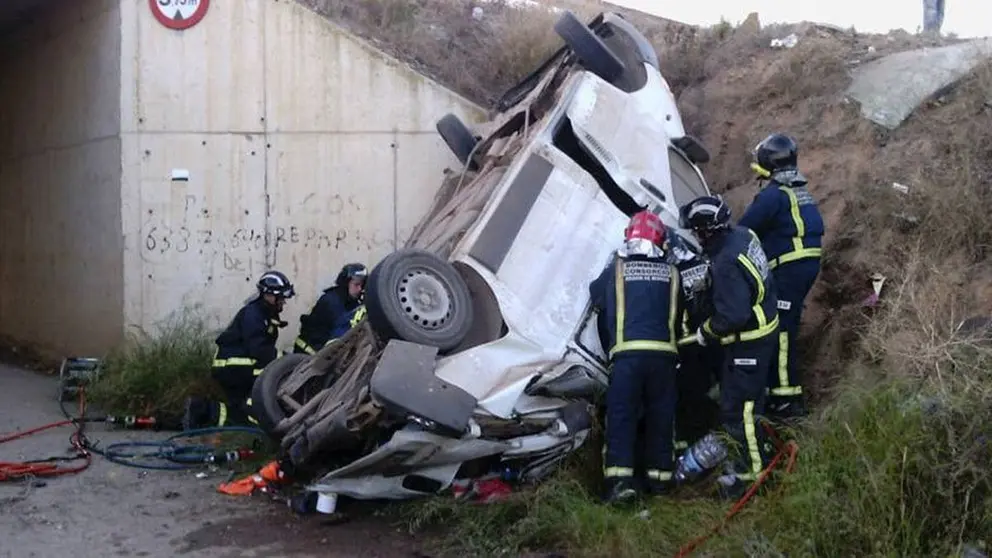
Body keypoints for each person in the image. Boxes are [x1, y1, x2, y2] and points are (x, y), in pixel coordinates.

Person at [679, 195, 779, 499]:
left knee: (738, 411)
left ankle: (752, 476)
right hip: (764, 328)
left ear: (707, 231)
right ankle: (759, 450)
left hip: (749, 341)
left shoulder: (725, 263)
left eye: (697, 232)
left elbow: (733, 316)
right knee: (751, 403)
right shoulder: (744, 235)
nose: (695, 237)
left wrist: (703, 333)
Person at [589, 210, 684, 504]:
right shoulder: (672, 273)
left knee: (622, 418)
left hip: (627, 357)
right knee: (661, 417)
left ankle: (619, 484)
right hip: (664, 359)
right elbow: (680, 312)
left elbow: (596, 296)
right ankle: (660, 482)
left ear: (629, 237)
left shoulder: (617, 269)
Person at [738, 133, 824, 420]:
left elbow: (744, 230)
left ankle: (787, 399)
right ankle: (779, 392)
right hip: (802, 266)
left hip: (789, 268)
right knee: (783, 327)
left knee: (783, 332)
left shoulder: (773, 195)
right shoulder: (799, 190)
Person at [183, 271, 295, 430]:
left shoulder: (263, 314)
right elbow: (259, 350)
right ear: (268, 295)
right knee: (265, 384)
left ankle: (201, 411)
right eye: (281, 298)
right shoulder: (254, 315)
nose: (283, 302)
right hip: (234, 368)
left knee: (240, 412)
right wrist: (286, 360)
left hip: (236, 368)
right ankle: (250, 412)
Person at [294, 263, 368, 355]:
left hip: (322, 352)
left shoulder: (353, 302)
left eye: (362, 285)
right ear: (345, 283)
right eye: (356, 285)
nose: (360, 289)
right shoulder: (331, 301)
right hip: (309, 353)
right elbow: (341, 333)